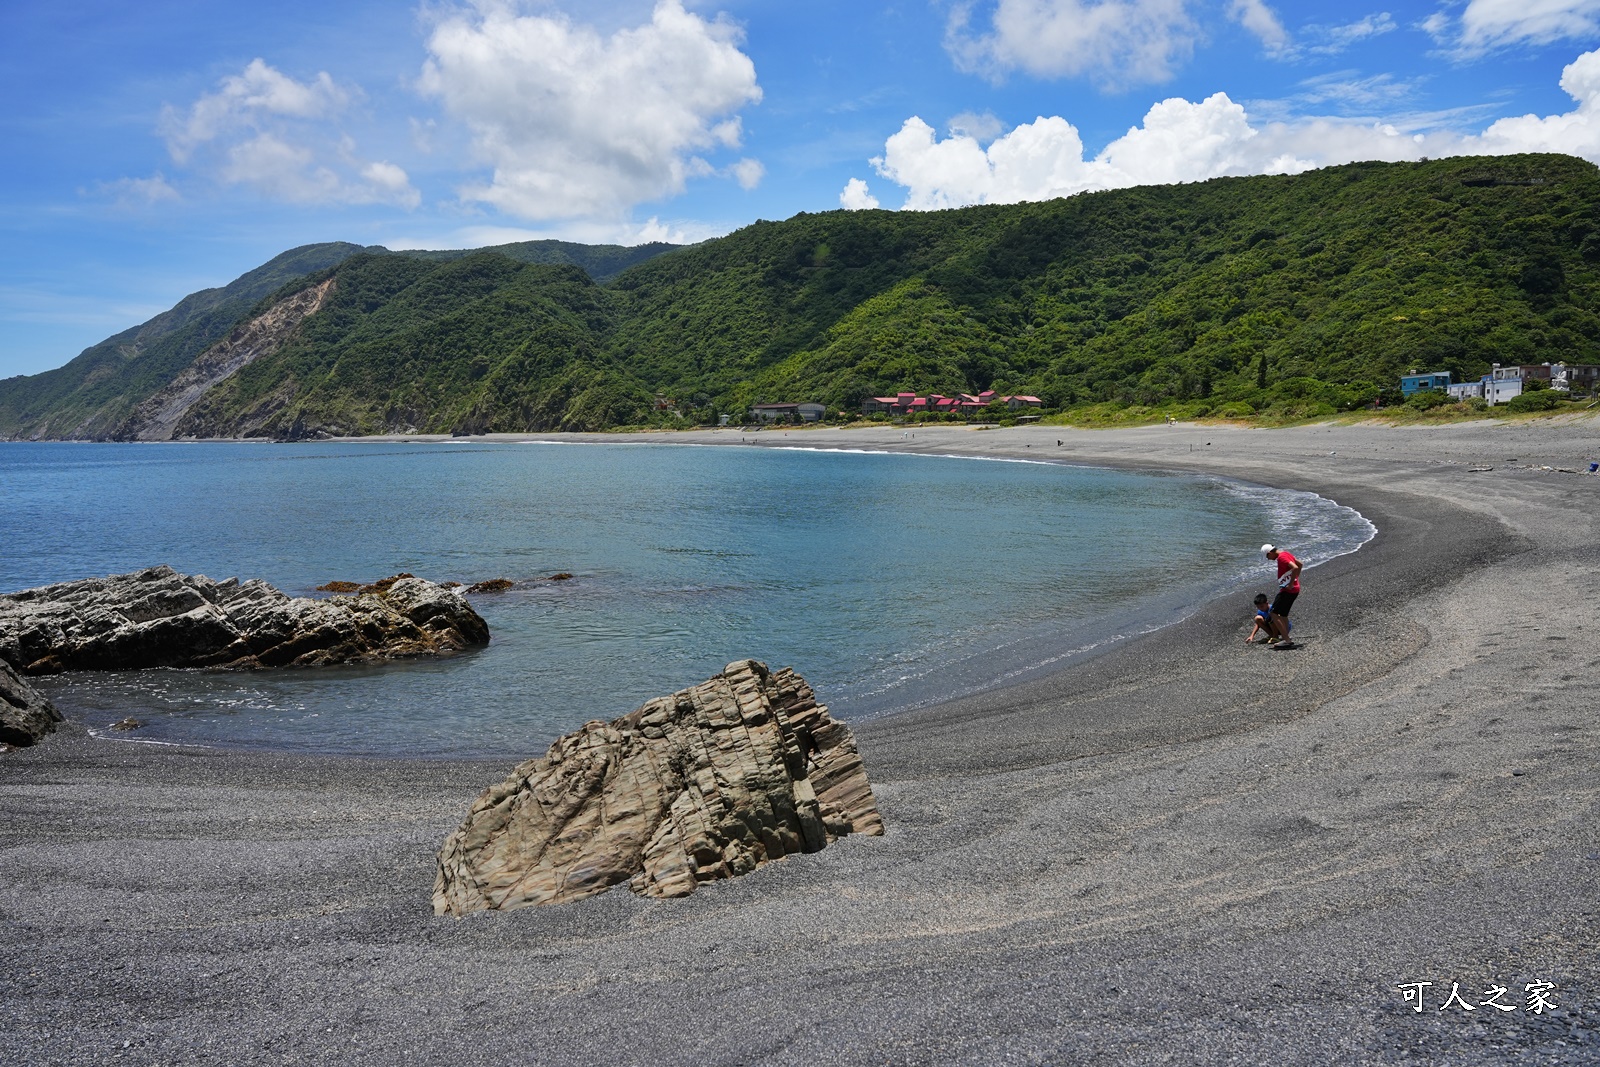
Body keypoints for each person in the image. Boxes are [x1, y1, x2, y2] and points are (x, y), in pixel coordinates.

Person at [1260, 543, 1302, 648]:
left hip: (1287, 590)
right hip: (1294, 590)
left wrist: (1291, 583)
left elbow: (1295, 567)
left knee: (1273, 613)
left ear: (1270, 553)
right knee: (1283, 615)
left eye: (1267, 557)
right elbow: (1300, 564)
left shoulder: (1281, 558)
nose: (1269, 559)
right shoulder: (1286, 553)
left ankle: (1286, 640)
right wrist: (1295, 579)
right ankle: (1286, 638)